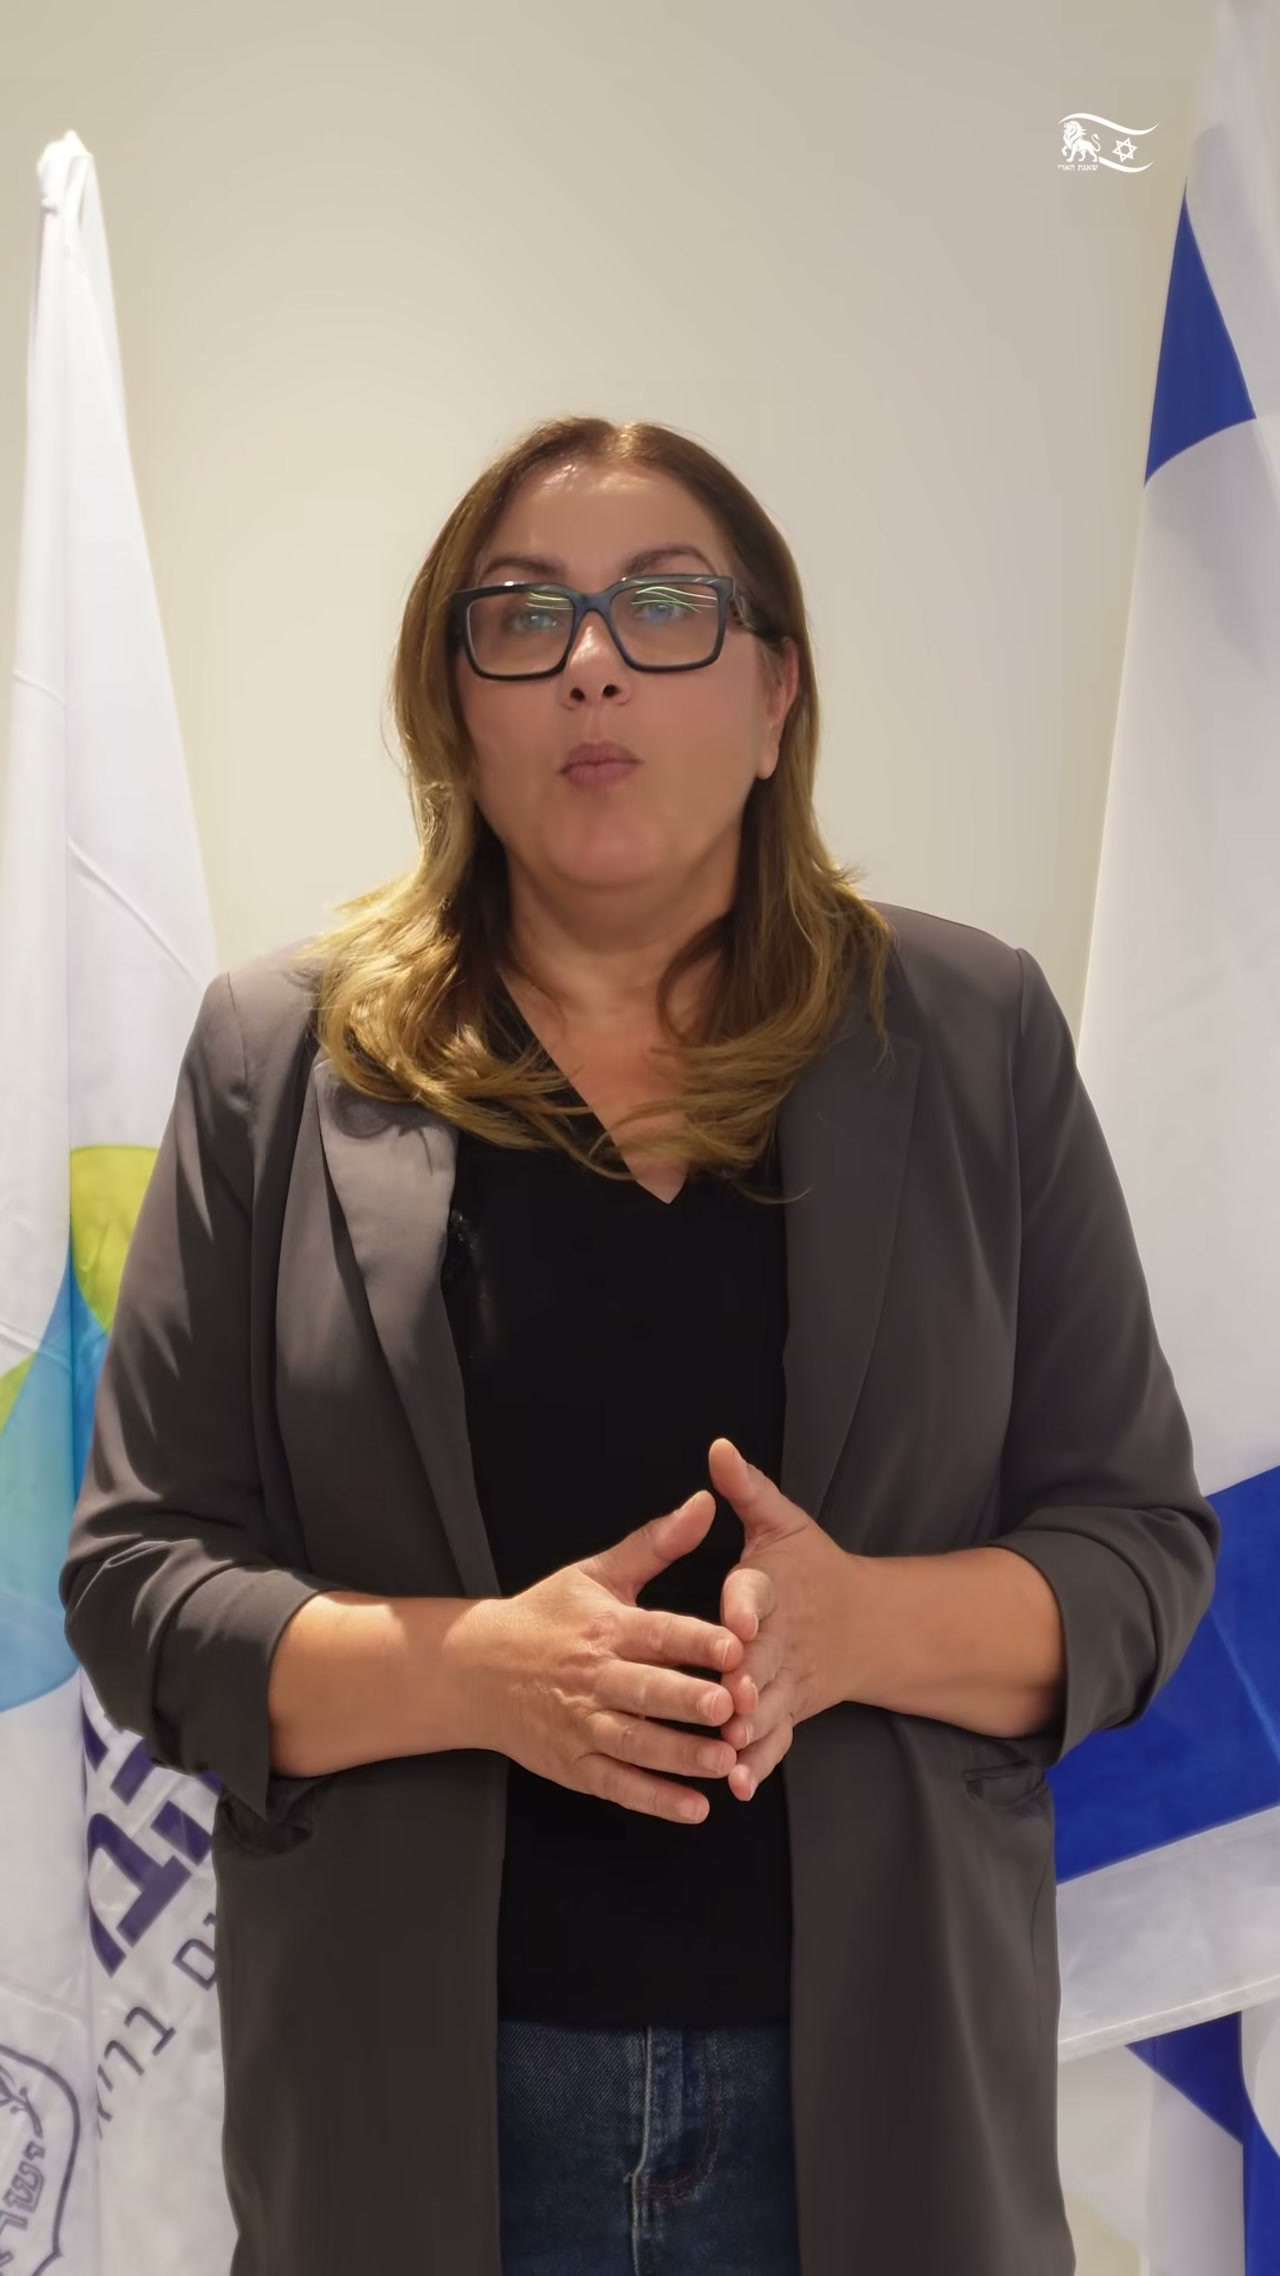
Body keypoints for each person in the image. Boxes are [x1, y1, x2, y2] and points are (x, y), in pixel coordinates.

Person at [59, 414, 1221, 2276]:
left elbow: (1140, 1554)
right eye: (522, 617)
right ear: (456, 706)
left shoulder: (974, 1033)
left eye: (667, 607)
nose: (591, 662)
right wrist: (477, 1675)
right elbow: (138, 1587)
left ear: (774, 695)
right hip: (415, 2121)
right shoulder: (278, 1058)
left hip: (883, 2117)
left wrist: (856, 1630)